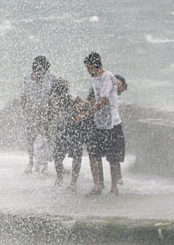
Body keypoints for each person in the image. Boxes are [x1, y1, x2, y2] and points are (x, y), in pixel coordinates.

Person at [80, 52, 124, 197]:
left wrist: (86, 114)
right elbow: (98, 99)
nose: (87, 71)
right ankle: (97, 186)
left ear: (93, 66)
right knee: (93, 154)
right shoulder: (95, 78)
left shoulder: (107, 78)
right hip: (98, 123)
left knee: (112, 158)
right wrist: (86, 104)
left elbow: (104, 101)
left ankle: (114, 188)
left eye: (88, 68)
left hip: (112, 124)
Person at [46, 78, 87, 190]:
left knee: (75, 156)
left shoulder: (74, 98)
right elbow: (49, 116)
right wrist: (49, 132)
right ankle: (60, 178)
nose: (58, 94)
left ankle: (72, 182)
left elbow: (85, 109)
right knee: (58, 157)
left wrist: (81, 116)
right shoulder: (53, 100)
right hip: (62, 130)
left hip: (75, 130)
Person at [20, 55, 56, 174]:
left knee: (46, 138)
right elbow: (23, 98)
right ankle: (30, 162)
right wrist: (25, 111)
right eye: (37, 70)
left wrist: (49, 111)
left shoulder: (51, 79)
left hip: (46, 113)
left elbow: (54, 98)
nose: (39, 74)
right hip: (31, 114)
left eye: (42, 70)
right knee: (30, 138)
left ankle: (44, 164)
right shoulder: (27, 80)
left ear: (46, 70)